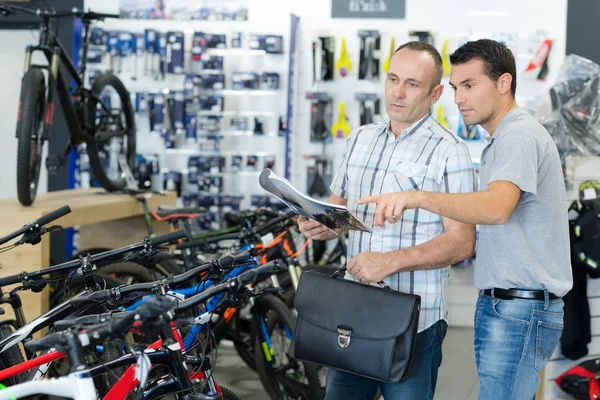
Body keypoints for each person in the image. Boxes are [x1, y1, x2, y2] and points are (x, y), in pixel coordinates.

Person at [358, 39, 574, 400]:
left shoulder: (518, 134)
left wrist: (417, 197)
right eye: (457, 88)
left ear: (503, 83)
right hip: (509, 306)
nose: (458, 98)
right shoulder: (503, 137)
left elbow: (496, 208)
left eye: (469, 86)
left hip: (519, 309)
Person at [298, 41, 477, 400]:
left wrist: (390, 262)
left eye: (412, 84)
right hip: (351, 314)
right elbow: (338, 211)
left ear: (435, 93)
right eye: (393, 79)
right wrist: (321, 225)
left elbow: (462, 242)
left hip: (414, 322)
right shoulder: (359, 139)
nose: (397, 92)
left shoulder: (451, 152)